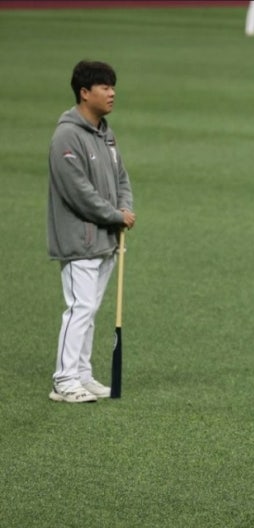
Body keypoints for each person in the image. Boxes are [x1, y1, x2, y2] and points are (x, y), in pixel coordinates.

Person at [47, 60, 135, 403]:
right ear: (85, 93)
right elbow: (78, 192)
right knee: (79, 308)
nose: (112, 93)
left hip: (106, 239)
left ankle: (82, 374)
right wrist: (115, 214)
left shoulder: (106, 133)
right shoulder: (66, 136)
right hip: (78, 239)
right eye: (104, 87)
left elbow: (121, 177)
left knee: (90, 310)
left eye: (113, 86)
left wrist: (124, 209)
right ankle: (64, 380)